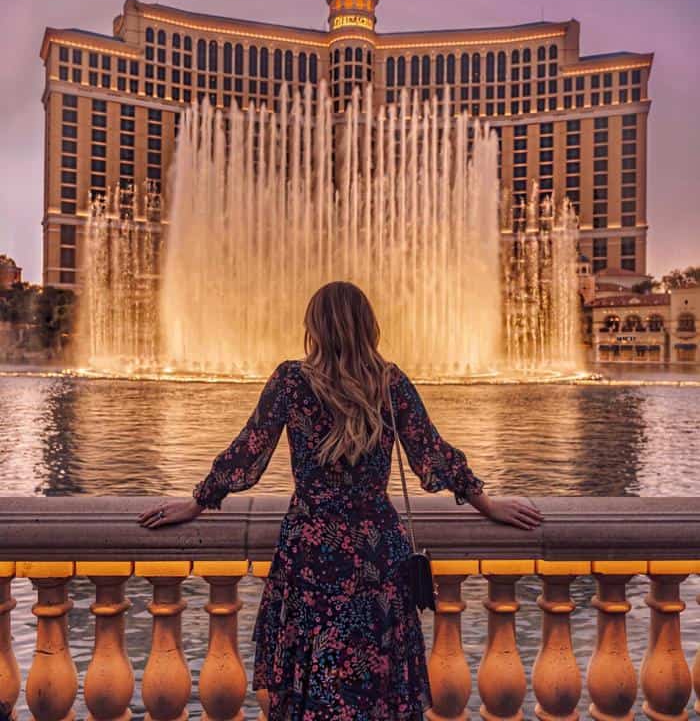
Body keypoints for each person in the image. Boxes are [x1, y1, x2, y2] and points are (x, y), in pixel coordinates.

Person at [138, 281, 543, 720]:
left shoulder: (292, 381)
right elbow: (433, 452)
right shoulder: (390, 383)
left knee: (317, 672)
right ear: (369, 326)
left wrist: (197, 503)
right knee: (375, 675)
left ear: (315, 326)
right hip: (376, 549)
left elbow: (247, 450)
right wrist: (488, 504)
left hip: (312, 549)